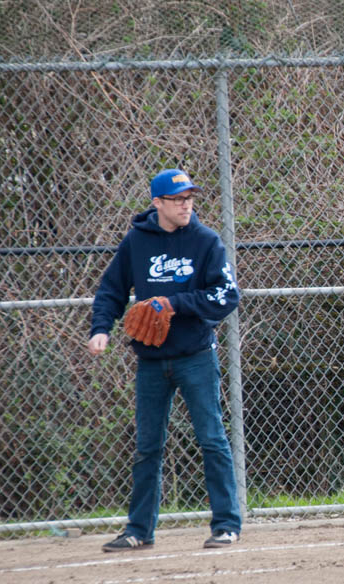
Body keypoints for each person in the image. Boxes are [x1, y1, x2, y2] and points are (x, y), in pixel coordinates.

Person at [88, 168, 242, 552]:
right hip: (152, 361)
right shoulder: (137, 242)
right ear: (157, 203)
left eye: (190, 197)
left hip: (195, 356)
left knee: (211, 439)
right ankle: (139, 530)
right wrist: (101, 328)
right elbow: (111, 289)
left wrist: (175, 303)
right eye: (177, 199)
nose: (186, 204)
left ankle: (226, 524)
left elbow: (226, 296)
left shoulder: (206, 241)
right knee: (147, 447)